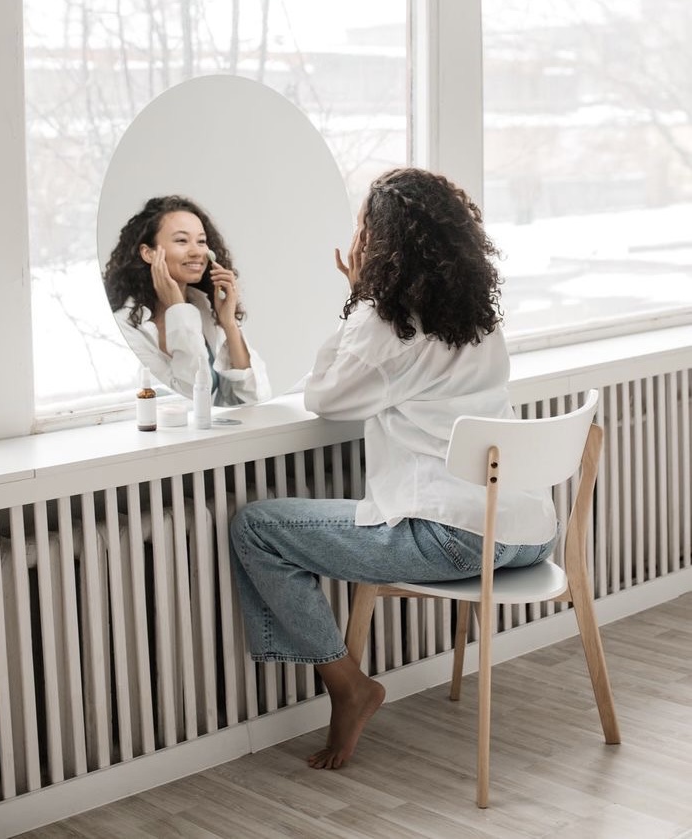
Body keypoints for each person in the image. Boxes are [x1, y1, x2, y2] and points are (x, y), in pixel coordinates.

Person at [228, 167, 559, 770]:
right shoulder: (481, 322)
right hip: (527, 535)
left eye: (362, 226)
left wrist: (358, 296)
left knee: (256, 527)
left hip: (456, 540)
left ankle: (349, 684)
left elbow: (326, 398)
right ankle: (349, 685)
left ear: (377, 243)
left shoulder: (388, 324)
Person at [104, 195, 271, 404]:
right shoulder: (126, 326)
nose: (197, 252)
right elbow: (189, 400)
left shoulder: (207, 308)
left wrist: (228, 324)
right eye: (182, 241)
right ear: (148, 253)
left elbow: (254, 398)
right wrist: (178, 310)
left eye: (201, 241)